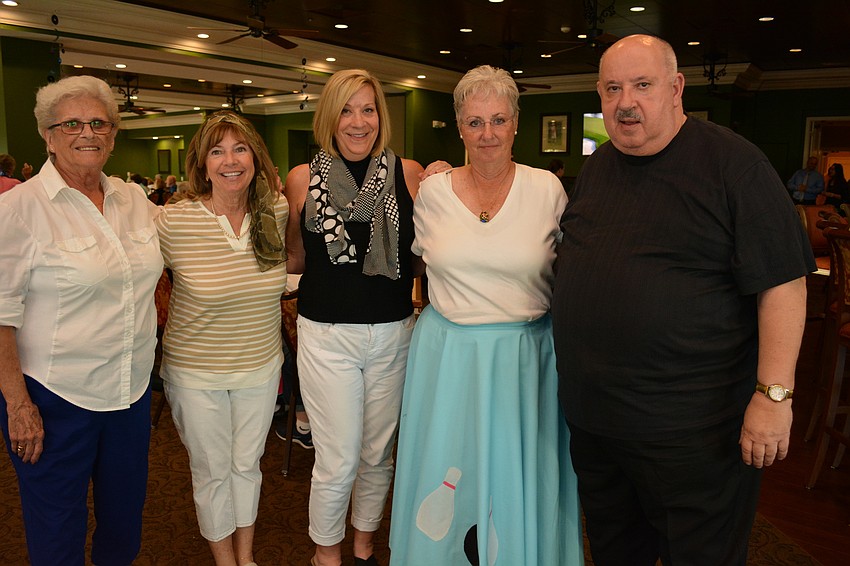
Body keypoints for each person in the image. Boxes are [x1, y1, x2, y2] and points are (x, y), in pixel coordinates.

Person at [551, 35, 814, 566]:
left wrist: (774, 396)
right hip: (599, 428)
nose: (626, 101)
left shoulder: (734, 165)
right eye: (612, 88)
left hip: (694, 436)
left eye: (642, 85)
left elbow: (784, 284)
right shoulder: (599, 167)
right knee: (614, 554)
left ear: (676, 89)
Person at [389, 65, 583, 566]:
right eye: (475, 122)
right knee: (449, 471)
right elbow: (411, 261)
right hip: (447, 355)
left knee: (519, 473)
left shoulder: (547, 192)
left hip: (525, 357)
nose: (488, 133)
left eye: (498, 120)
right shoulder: (431, 193)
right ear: (459, 127)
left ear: (517, 123)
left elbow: (572, 275)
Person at [0, 75, 163, 565]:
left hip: (130, 393)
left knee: (124, 521)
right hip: (54, 398)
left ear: (113, 135)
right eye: (71, 123)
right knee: (56, 529)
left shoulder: (135, 201)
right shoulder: (18, 210)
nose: (87, 132)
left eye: (98, 123)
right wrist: (17, 404)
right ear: (48, 135)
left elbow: (197, 237)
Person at [283, 68, 423, 566]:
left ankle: (363, 544)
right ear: (329, 116)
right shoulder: (303, 178)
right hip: (326, 335)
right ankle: (327, 553)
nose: (357, 121)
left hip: (393, 332)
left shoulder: (409, 173)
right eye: (346, 109)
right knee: (338, 459)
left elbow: (423, 253)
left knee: (376, 456)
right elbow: (296, 257)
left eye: (368, 109)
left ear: (380, 117)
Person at [155, 110, 288, 566]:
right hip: (196, 374)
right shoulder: (175, 222)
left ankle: (246, 558)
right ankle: (224, 561)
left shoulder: (275, 210)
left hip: (260, 365)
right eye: (217, 151)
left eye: (240, 148)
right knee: (212, 472)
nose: (230, 160)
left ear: (255, 156)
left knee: (246, 468)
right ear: (202, 164)